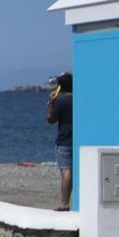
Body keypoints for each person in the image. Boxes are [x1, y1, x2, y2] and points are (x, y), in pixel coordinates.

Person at [46, 72, 73, 210]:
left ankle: (64, 204)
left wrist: (51, 102)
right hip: (77, 139)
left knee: (66, 172)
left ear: (61, 87)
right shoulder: (79, 100)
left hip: (64, 140)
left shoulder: (61, 101)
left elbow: (50, 119)